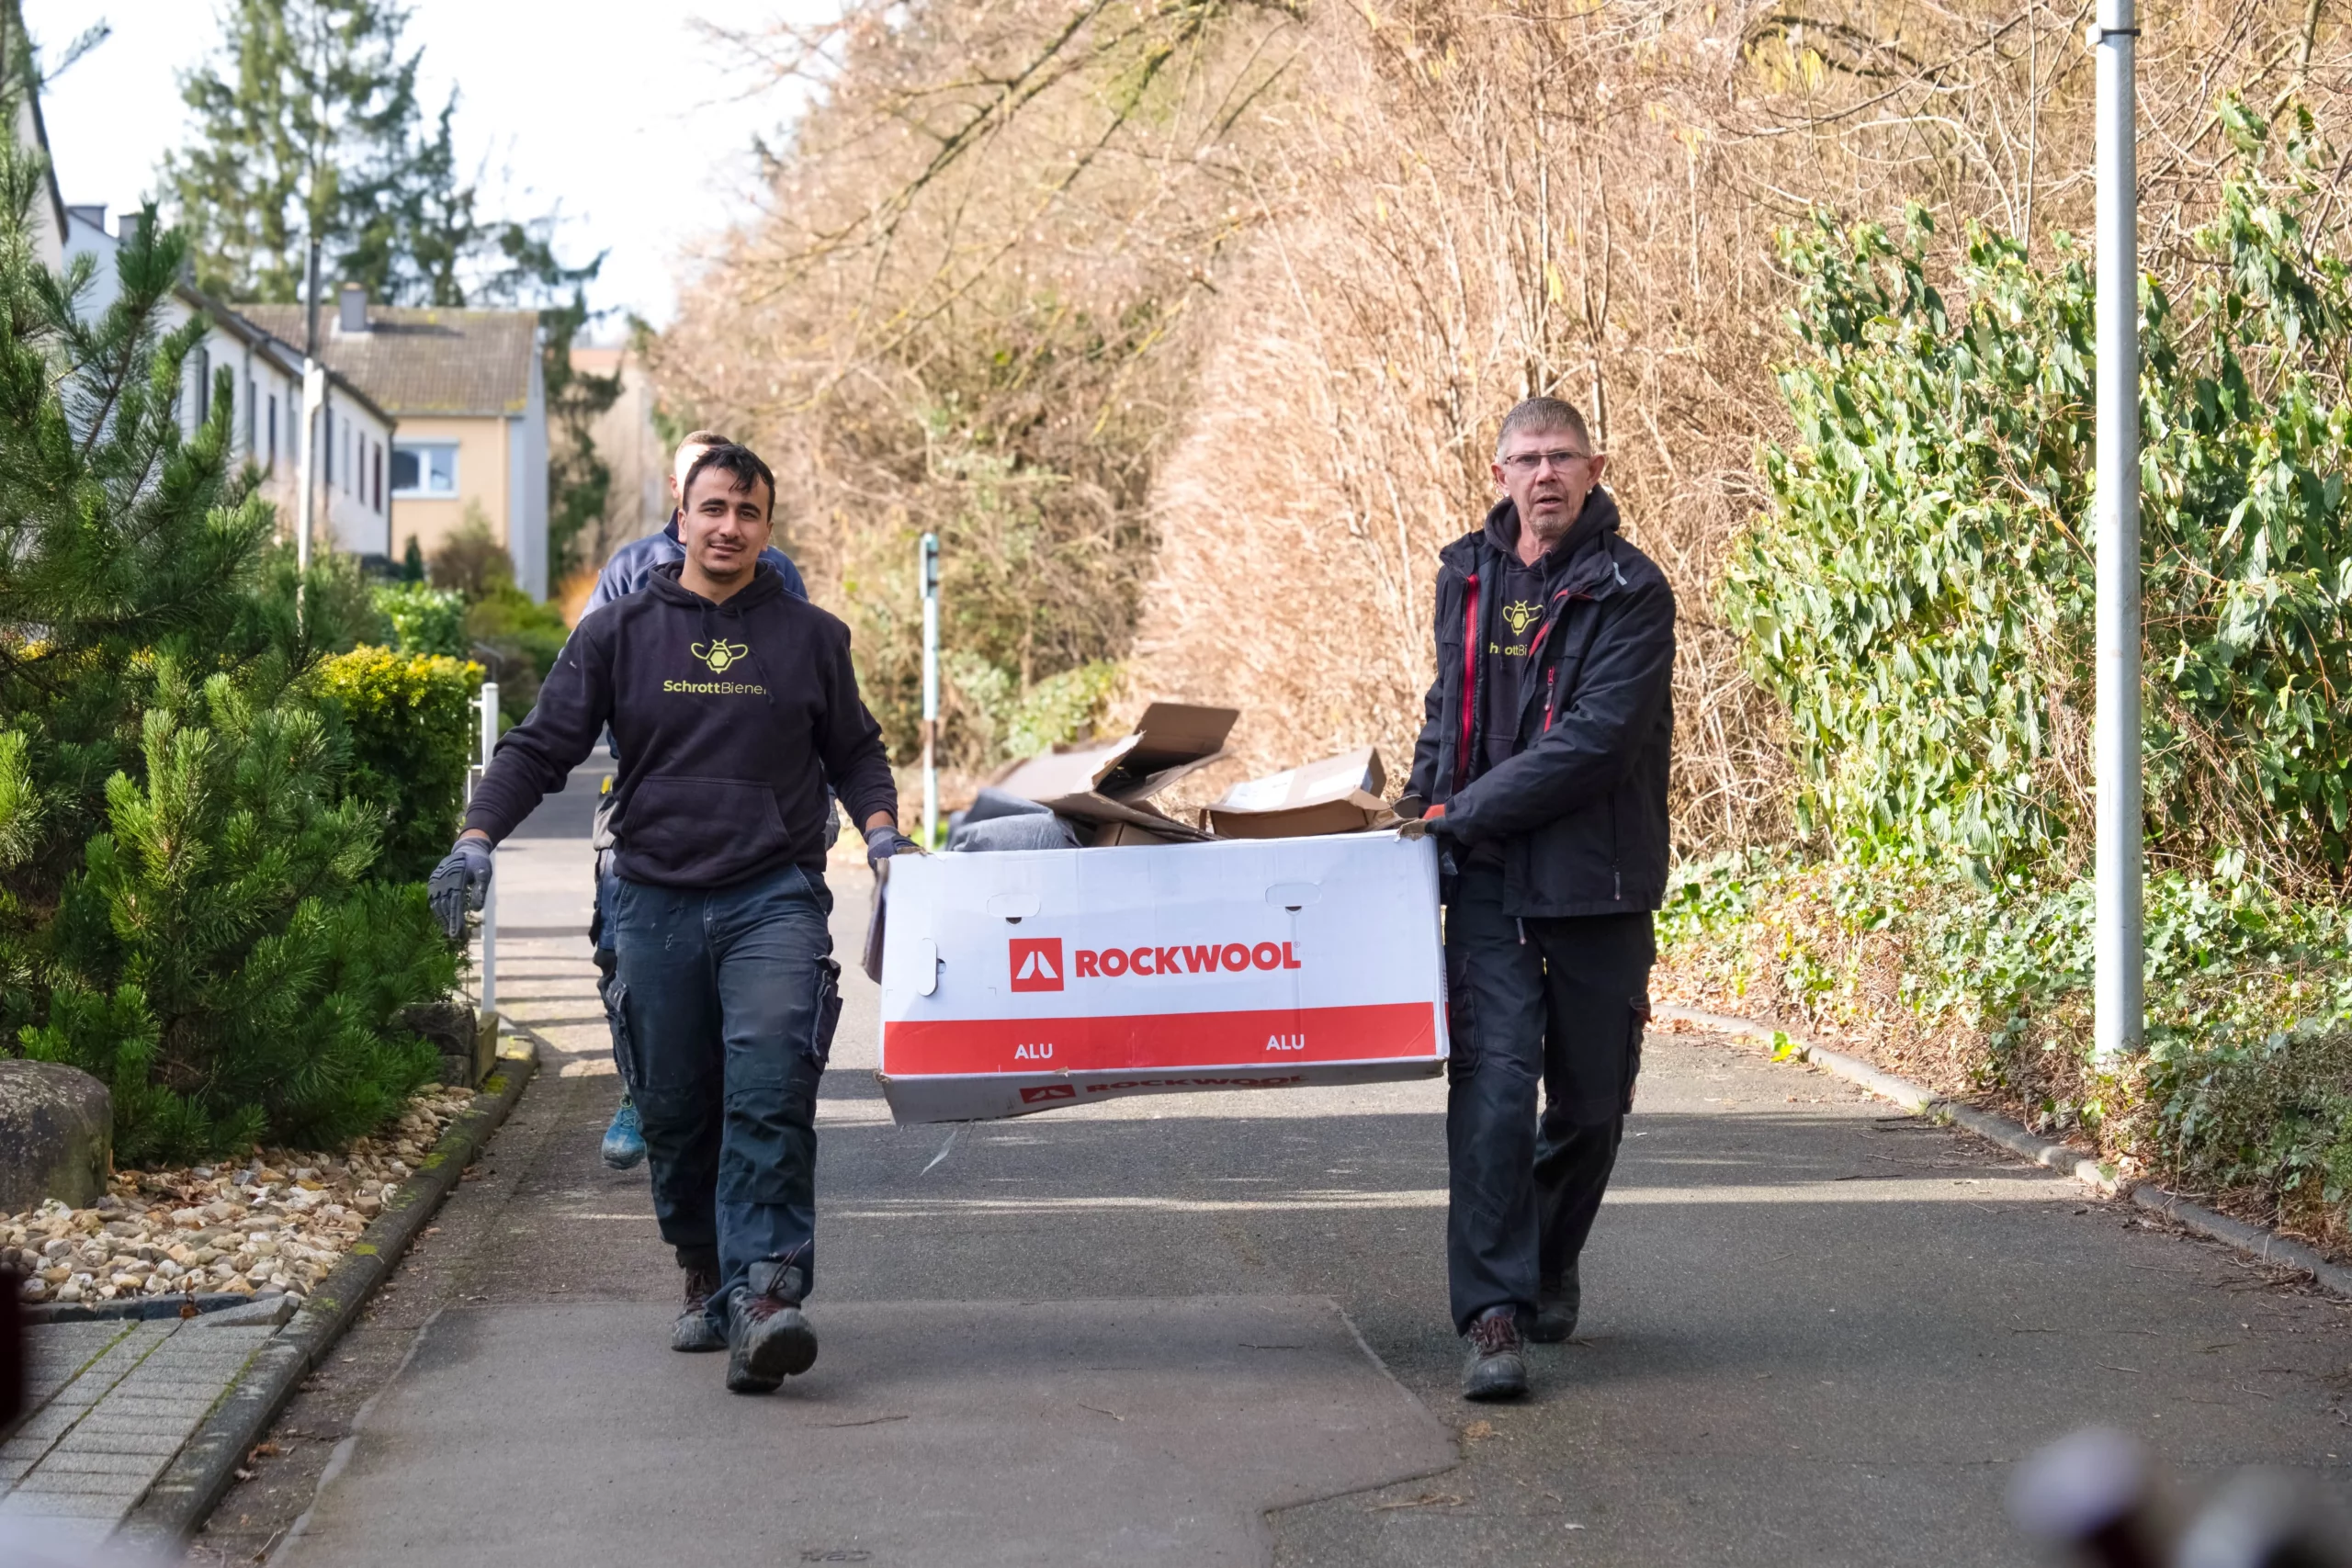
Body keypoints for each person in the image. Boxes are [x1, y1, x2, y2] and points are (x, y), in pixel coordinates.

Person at [429, 443, 915, 1393]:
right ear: (681, 518)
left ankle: (766, 1293)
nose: (729, 526)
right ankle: (702, 1264)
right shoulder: (617, 633)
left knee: (771, 1081)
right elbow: (540, 746)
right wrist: (476, 838)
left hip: (770, 892)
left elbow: (856, 753)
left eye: (749, 511)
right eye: (714, 508)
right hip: (649, 896)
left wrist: (887, 836)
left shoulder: (813, 638)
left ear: (769, 529)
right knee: (674, 1104)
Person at [1398, 397, 1676, 1402]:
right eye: (1526, 458)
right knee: (1494, 1092)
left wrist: (1460, 813)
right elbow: (1446, 710)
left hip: (1596, 884)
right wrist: (1417, 811)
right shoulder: (1465, 576)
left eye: (1562, 456)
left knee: (1591, 1107)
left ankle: (1550, 1254)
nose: (1545, 473)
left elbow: (1596, 743)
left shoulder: (1631, 590)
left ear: (1594, 469)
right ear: (1497, 472)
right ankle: (1492, 1315)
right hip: (1484, 884)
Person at [589, 430, 814, 1174]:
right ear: (678, 501)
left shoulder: (777, 574)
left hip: (757, 817)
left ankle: (745, 1107)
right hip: (643, 801)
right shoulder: (629, 572)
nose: (725, 522)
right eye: (703, 497)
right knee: (620, 950)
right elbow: (583, 691)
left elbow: (809, 696)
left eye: (742, 507)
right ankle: (642, 1085)